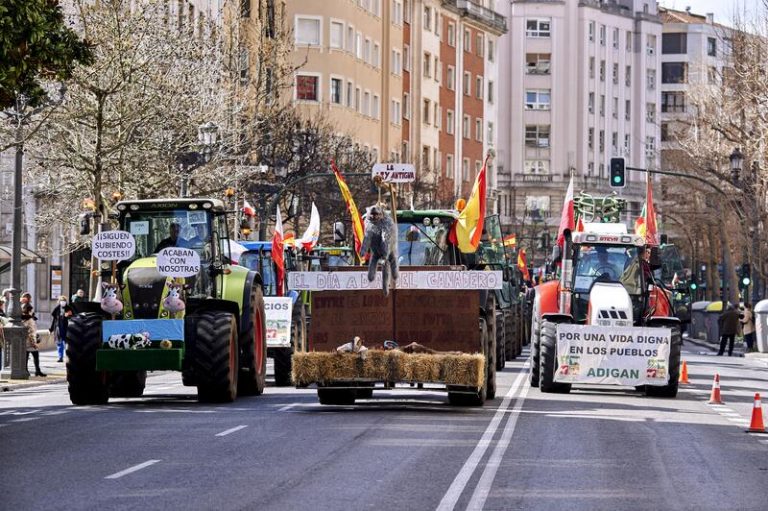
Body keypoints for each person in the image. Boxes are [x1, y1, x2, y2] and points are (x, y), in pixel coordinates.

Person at [21, 293, 46, 377]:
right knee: (32, 354)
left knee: (29, 354)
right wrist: (33, 341)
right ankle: (33, 370)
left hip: (28, 337)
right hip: (29, 338)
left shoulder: (26, 318)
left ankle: (33, 370)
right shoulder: (28, 319)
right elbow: (30, 330)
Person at [49, 295, 73, 363]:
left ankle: (69, 357)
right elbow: (54, 320)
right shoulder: (57, 309)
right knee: (59, 343)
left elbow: (73, 317)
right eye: (61, 301)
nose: (63, 302)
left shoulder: (69, 308)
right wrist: (51, 329)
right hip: (58, 328)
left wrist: (68, 316)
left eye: (64, 301)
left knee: (67, 344)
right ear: (59, 301)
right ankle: (60, 357)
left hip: (67, 328)